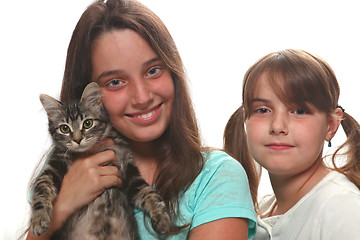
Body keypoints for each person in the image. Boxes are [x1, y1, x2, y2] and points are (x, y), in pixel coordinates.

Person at [24, 0, 256, 239]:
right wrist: (61, 208)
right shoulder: (67, 171)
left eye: (153, 70)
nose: (142, 97)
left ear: (173, 70)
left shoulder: (216, 177)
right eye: (115, 82)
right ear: (90, 97)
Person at [224, 49, 360, 240]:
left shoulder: (341, 209)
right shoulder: (264, 209)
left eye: (299, 111)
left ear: (330, 125)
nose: (278, 126)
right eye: (263, 110)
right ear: (245, 118)